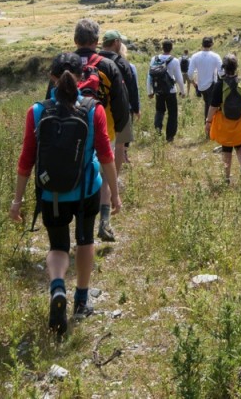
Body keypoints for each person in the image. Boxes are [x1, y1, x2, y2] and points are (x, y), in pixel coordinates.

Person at [10, 53, 120, 336]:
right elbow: (106, 156)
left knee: (58, 247)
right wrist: (116, 194)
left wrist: (17, 201)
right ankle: (81, 302)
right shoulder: (93, 110)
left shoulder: (36, 111)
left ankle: (58, 286)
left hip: (52, 196)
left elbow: (26, 160)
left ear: (52, 78)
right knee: (85, 241)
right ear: (84, 77)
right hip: (86, 191)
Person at [73, 19, 129, 243]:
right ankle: (104, 221)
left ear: (75, 40)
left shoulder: (66, 63)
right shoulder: (107, 66)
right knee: (104, 175)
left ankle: (79, 222)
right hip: (103, 125)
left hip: (71, 127)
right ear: (96, 41)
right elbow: (121, 103)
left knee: (76, 174)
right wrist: (123, 133)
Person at [204, 53, 241, 184]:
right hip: (240, 120)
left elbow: (213, 106)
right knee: (240, 144)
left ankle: (227, 178)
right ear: (236, 67)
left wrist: (208, 122)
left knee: (226, 147)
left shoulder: (220, 84)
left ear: (224, 67)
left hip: (224, 121)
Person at [100, 30, 139, 182]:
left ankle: (100, 178)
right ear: (116, 42)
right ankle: (113, 179)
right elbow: (131, 88)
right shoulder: (122, 63)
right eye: (120, 41)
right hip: (120, 110)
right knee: (119, 146)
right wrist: (136, 108)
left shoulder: (96, 60)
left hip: (99, 109)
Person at [147, 39, 186, 142]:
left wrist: (149, 91)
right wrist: (182, 91)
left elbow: (149, 77)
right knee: (172, 113)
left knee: (159, 111)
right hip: (171, 91)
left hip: (158, 91)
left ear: (162, 47)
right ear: (171, 48)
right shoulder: (175, 61)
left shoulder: (154, 59)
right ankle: (170, 136)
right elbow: (179, 78)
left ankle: (157, 132)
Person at [188, 36, 223, 123]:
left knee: (207, 104)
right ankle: (210, 127)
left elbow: (190, 73)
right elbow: (222, 72)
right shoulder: (215, 56)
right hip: (212, 84)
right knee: (212, 105)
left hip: (201, 85)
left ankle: (208, 125)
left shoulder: (195, 56)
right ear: (211, 44)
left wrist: (194, 83)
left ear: (202, 44)